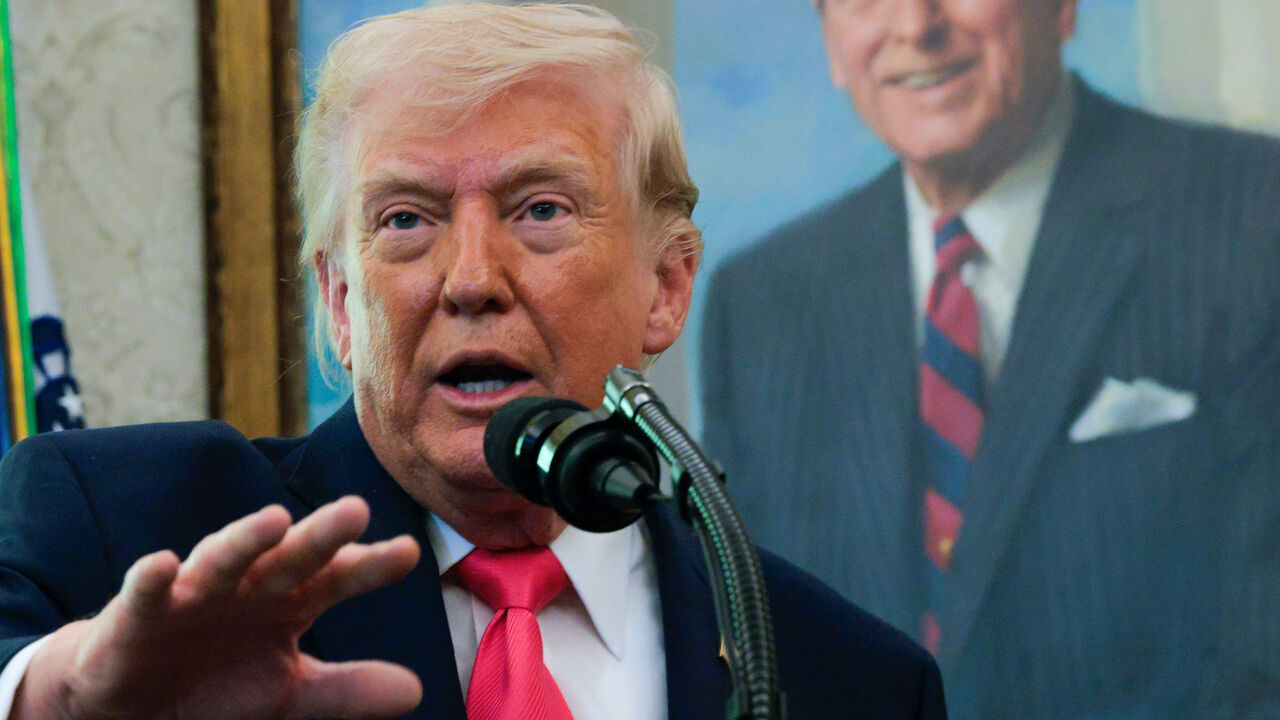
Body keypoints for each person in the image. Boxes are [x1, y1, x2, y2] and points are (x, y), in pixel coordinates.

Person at [0, 4, 946, 720]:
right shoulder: (128, 535)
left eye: (541, 210)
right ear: (340, 303)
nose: (470, 280)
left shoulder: (846, 675)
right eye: (405, 219)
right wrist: (59, 699)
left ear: (665, 285)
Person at [700, 0, 1280, 718]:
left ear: (1063, 9)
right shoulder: (759, 304)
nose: (915, 25)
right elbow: (758, 656)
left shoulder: (1257, 218)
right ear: (831, 43)